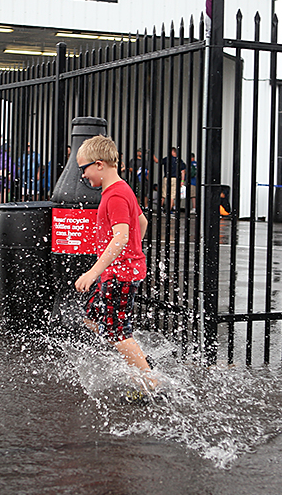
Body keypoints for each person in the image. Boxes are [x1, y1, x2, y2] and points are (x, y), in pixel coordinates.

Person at [74, 135, 157, 392]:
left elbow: (120, 237)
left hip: (119, 274)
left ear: (99, 164)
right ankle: (135, 356)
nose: (83, 176)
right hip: (116, 271)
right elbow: (141, 224)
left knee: (117, 331)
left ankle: (148, 382)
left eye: (83, 169)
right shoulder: (122, 189)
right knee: (92, 315)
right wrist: (132, 253)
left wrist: (93, 271)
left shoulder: (115, 196)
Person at [160, 147, 186, 212]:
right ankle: (169, 210)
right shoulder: (179, 161)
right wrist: (182, 181)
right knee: (172, 195)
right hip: (175, 179)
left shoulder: (167, 159)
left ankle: (160, 208)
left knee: (163, 194)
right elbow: (183, 171)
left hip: (166, 178)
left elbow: (158, 161)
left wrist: (152, 155)